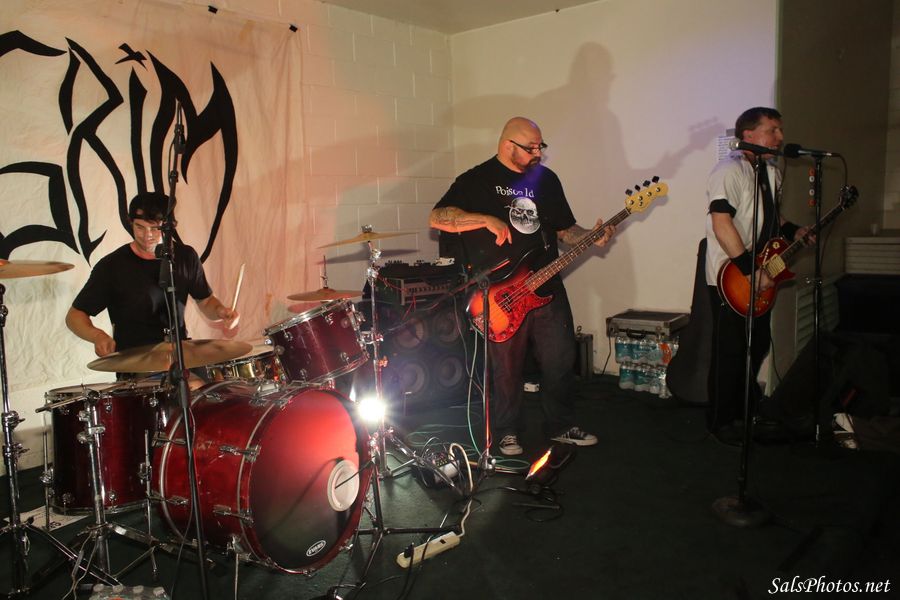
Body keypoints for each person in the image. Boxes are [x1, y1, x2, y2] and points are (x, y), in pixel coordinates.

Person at [429, 116, 615, 456]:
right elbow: (437, 217)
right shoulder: (476, 180)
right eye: (531, 148)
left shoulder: (547, 180)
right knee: (506, 367)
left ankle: (560, 426)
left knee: (560, 359)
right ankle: (506, 432)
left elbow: (564, 230)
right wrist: (484, 219)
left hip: (546, 283)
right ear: (507, 146)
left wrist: (591, 236)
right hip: (502, 292)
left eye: (540, 146)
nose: (538, 154)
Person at [704, 107, 810, 445]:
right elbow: (722, 224)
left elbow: (772, 219)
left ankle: (746, 409)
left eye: (780, 130)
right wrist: (751, 271)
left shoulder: (771, 173)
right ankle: (721, 422)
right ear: (749, 135)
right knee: (730, 350)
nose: (780, 137)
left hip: (761, 273)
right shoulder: (728, 171)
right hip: (731, 276)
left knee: (758, 343)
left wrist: (794, 231)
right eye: (772, 130)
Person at [66, 191, 239, 365]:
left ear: (170, 226)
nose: (147, 235)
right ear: (131, 223)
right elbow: (75, 316)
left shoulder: (186, 256)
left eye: (155, 228)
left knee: (215, 379)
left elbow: (205, 301)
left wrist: (220, 311)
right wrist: (97, 336)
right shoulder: (112, 266)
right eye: (140, 227)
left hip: (180, 359)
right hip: (136, 365)